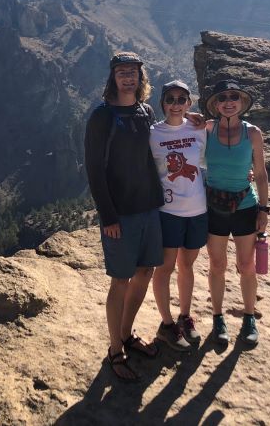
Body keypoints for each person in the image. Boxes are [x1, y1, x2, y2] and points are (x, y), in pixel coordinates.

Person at [84, 52, 164, 381]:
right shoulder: (102, 116)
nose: (128, 78)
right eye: (122, 73)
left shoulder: (145, 111)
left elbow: (155, 150)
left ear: (140, 77)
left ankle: (127, 334)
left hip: (148, 208)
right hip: (121, 214)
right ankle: (115, 349)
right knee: (121, 280)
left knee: (145, 271)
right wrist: (108, 216)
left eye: (133, 72)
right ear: (113, 78)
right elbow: (94, 169)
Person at [204, 79, 269, 346]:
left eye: (234, 97)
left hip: (245, 206)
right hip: (214, 207)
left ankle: (249, 316)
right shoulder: (207, 129)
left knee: (246, 266)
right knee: (217, 265)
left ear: (241, 103)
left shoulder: (252, 133)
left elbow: (261, 174)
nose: (228, 102)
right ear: (216, 105)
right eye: (223, 98)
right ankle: (218, 318)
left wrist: (264, 209)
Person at [150, 80, 207, 351]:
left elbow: (221, 150)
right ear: (162, 103)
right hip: (169, 212)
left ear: (189, 103)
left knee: (187, 266)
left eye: (181, 99)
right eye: (170, 99)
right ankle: (167, 324)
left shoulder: (200, 129)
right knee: (164, 268)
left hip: (197, 210)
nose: (175, 104)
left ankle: (185, 317)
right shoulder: (153, 134)